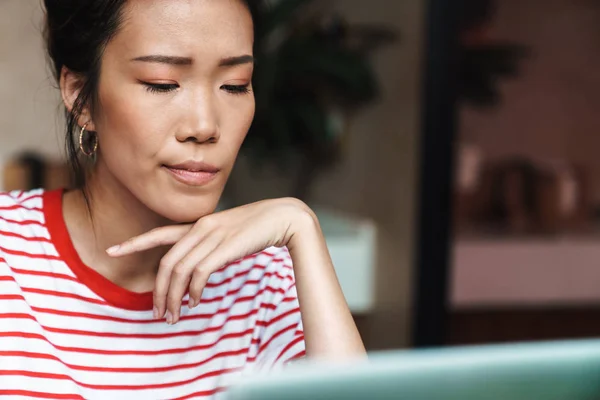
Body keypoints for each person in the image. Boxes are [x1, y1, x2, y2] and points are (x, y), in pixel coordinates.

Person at [0, 0, 365, 398]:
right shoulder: (9, 258)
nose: (205, 126)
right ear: (81, 97)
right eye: (163, 83)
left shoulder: (266, 279)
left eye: (235, 84)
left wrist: (300, 224)